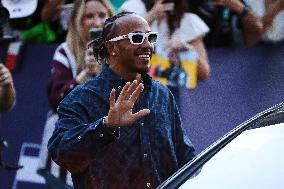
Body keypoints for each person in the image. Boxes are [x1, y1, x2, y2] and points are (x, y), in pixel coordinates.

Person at [48, 12, 195, 189]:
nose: (148, 45)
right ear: (112, 48)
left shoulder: (162, 95)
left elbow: (185, 156)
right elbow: (63, 154)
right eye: (137, 38)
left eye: (151, 37)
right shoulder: (80, 99)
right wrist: (106, 126)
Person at [37, 0, 114, 186]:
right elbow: (56, 101)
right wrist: (86, 74)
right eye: (89, 16)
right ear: (77, 21)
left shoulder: (120, 54)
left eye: (102, 15)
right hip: (64, 163)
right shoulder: (65, 53)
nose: (97, 22)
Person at [120, 0, 211, 81]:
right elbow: (120, 50)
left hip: (169, 92)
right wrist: (152, 15)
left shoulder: (188, 20)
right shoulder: (133, 7)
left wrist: (187, 50)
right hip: (133, 89)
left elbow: (204, 74)